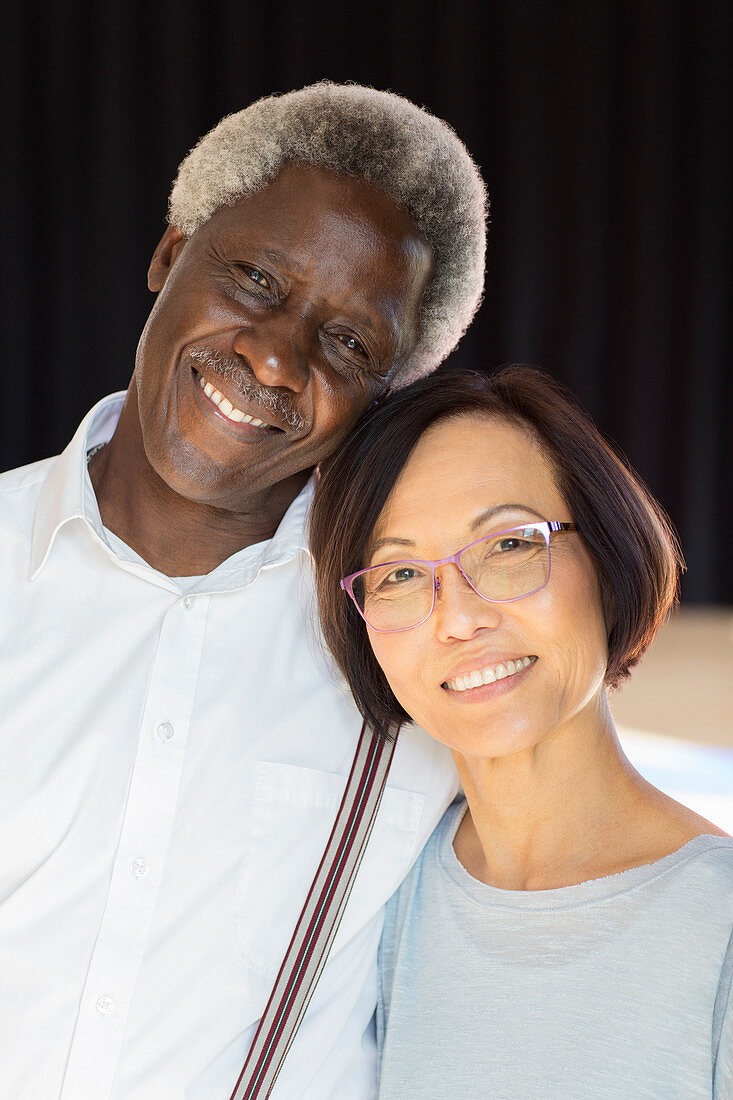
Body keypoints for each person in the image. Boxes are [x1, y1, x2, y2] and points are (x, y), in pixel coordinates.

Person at [0, 83, 487, 1098]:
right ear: (171, 254)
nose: (272, 356)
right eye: (256, 277)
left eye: (348, 343)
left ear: (382, 394)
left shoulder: (412, 649)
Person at [310, 366, 733, 1099]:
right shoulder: (368, 906)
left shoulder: (716, 928)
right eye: (400, 575)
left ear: (606, 555)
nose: (458, 617)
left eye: (507, 546)